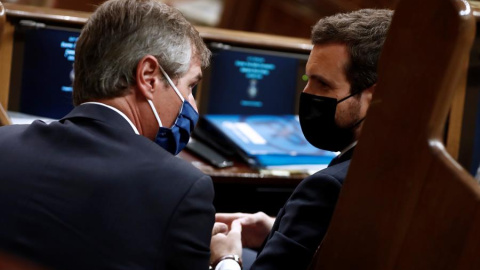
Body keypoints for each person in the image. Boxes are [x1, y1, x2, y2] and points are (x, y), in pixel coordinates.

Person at [0, 0, 215, 269]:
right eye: (190, 86)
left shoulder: (3, 145)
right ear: (149, 77)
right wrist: (227, 258)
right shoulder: (183, 190)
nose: (192, 105)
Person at [210, 9, 393, 270]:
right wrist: (276, 229)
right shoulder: (425, 169)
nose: (307, 95)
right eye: (307, 80)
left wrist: (225, 258)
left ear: (373, 98)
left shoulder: (328, 187)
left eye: (323, 85)